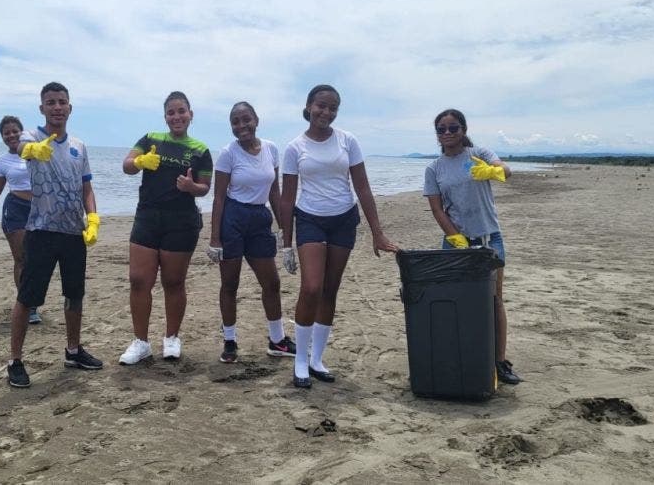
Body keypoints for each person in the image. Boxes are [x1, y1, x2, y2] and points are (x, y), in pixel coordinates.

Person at [280, 84, 398, 389]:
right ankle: (300, 361)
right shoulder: (295, 148)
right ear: (308, 106)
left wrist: (377, 232)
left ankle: (317, 359)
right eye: (321, 105)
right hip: (309, 219)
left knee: (330, 290)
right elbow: (287, 197)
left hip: (344, 219)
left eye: (333, 108)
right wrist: (286, 244)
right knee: (311, 287)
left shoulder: (348, 141)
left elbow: (363, 187)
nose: (326, 112)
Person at [6, 82, 103, 388]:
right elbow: (18, 146)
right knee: (27, 297)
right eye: (51, 102)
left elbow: (87, 187)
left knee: (74, 295)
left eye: (62, 102)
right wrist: (31, 150)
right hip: (41, 230)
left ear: (70, 108)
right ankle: (15, 360)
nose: (57, 107)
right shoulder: (31, 137)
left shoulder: (79, 145)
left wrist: (93, 217)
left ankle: (73, 351)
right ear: (42, 108)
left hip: (73, 232)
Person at [423, 108, 520, 385]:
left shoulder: (480, 154)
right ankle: (460, 355)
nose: (448, 133)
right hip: (456, 243)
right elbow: (437, 209)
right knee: (456, 301)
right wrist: (455, 237)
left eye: (453, 128)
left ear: (463, 130)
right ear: (437, 135)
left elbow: (507, 171)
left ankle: (499, 362)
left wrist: (492, 171)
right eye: (442, 129)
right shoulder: (434, 169)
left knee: (494, 300)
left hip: (490, 238)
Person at [119, 91, 212, 365]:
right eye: (171, 112)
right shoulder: (150, 139)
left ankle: (172, 337)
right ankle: (141, 342)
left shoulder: (200, 150)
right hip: (147, 217)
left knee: (173, 282)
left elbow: (206, 188)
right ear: (165, 117)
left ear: (190, 114)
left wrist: (191, 188)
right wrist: (139, 162)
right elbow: (126, 166)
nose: (176, 117)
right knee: (139, 281)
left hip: (181, 222)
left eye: (181, 111)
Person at [207, 102, 296, 363]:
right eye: (235, 121)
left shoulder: (271, 149)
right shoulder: (228, 154)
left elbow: (274, 191)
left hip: (259, 219)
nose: (241, 126)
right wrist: (215, 238)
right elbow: (219, 198)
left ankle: (277, 340)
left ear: (256, 120)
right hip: (232, 219)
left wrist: (283, 229)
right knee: (230, 284)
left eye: (246, 119)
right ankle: (230, 341)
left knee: (272, 282)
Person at [0, 116, 42, 324]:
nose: (11, 135)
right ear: (2, 137)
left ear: (23, 133)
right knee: (22, 258)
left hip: (40, 209)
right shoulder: (2, 162)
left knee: (38, 259)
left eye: (15, 131)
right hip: (16, 210)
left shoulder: (37, 153)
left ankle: (33, 301)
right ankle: (26, 306)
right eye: (6, 133)